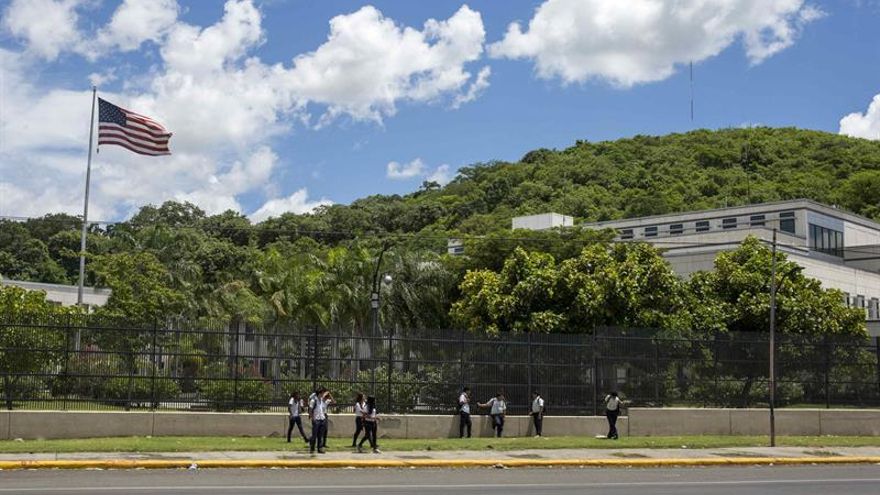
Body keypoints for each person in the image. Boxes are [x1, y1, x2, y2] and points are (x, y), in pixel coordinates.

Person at [309, 387, 334, 454]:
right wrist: (313, 418)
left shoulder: (322, 400)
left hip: (322, 419)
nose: (323, 394)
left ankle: (320, 448)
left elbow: (331, 401)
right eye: (322, 393)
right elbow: (310, 410)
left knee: (320, 435)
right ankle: (312, 448)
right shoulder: (313, 400)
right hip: (316, 419)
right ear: (320, 393)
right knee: (314, 435)